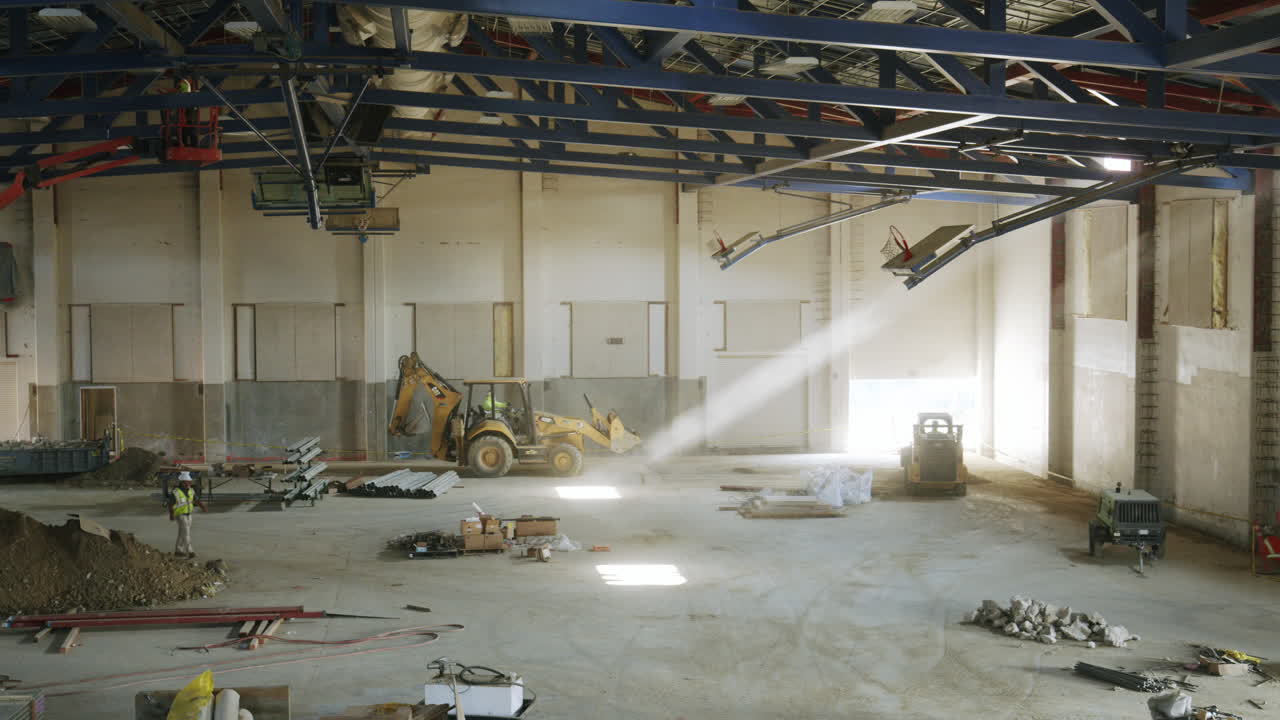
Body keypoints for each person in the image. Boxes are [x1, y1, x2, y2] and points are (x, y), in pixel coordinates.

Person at [169, 471, 207, 558]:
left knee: (182, 532)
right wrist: (171, 514)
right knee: (186, 533)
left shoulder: (191, 490)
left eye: (190, 482)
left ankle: (178, 550)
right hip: (180, 515)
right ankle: (190, 551)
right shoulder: (176, 492)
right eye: (188, 482)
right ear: (182, 482)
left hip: (189, 514)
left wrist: (202, 506)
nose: (190, 483)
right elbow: (170, 504)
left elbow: (196, 500)